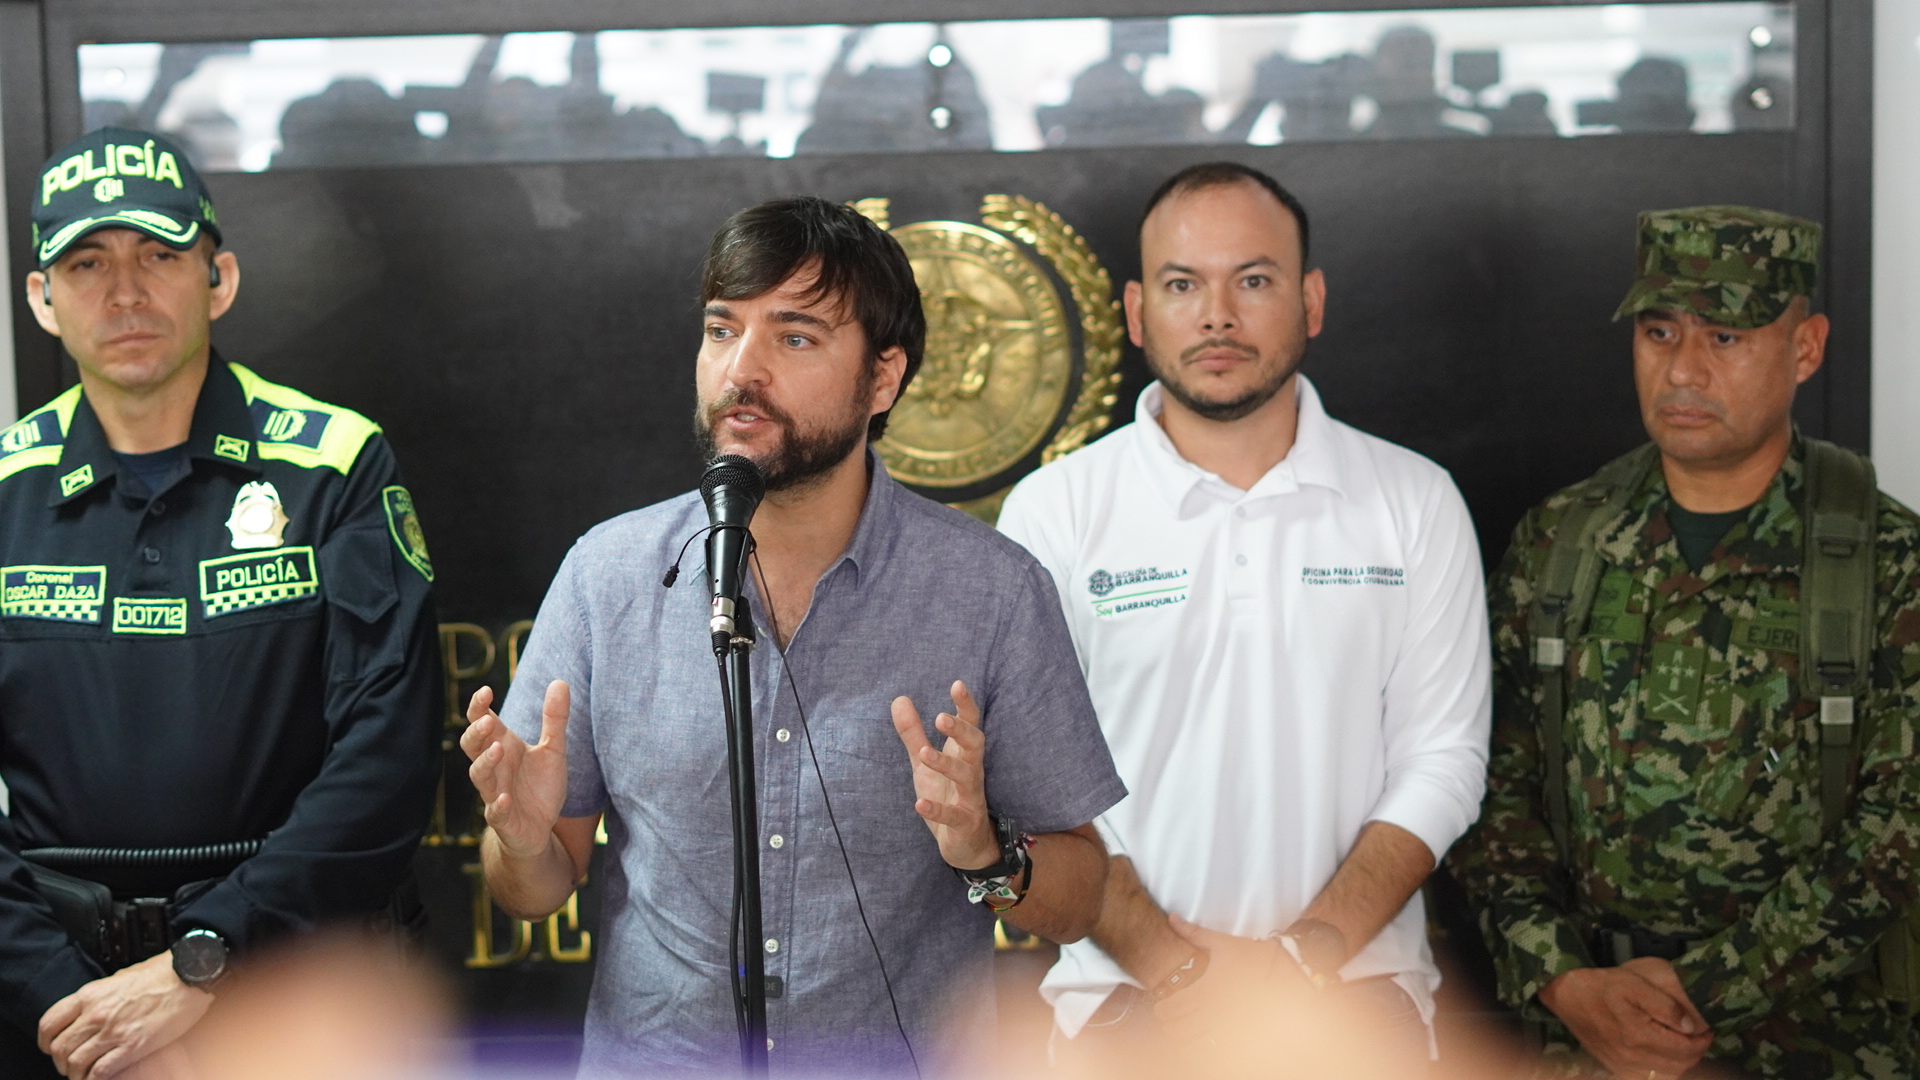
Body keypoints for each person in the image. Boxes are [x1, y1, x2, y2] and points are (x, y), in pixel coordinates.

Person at [458, 196, 1126, 1077]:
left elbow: (1082, 901)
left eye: (796, 337)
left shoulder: (990, 591)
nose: (743, 369)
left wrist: (989, 850)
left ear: (883, 379)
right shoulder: (607, 574)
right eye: (721, 330)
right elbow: (531, 892)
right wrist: (524, 838)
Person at [996, 161, 1492, 1068]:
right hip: (1120, 1006)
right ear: (1139, 312)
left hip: (1357, 1004)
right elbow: (1034, 785)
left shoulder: (1414, 500)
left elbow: (1446, 760)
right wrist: (1176, 968)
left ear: (1310, 300)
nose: (1217, 315)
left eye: (1253, 280)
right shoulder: (1055, 510)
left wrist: (1305, 956)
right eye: (1185, 285)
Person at [0, 127, 441, 1079]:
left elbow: (389, 756)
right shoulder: (3, 492)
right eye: (86, 261)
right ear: (40, 297)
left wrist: (203, 964)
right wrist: (79, 1016)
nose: (125, 291)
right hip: (61, 1016)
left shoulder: (334, 463)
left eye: (159, 254)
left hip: (301, 992)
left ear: (220, 277)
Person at [1449, 205, 1920, 1079]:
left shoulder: (1889, 564)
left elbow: (1899, 836)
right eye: (1660, 331)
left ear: (1806, 348)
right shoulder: (1560, 542)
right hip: (1590, 1038)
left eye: (1729, 337)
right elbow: (1486, 781)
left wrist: (1701, 992)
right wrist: (1562, 980)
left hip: (1822, 1044)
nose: (1685, 369)